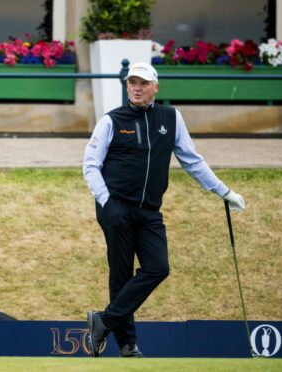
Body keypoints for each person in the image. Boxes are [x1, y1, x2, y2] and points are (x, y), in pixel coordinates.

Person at [83, 62, 245, 358]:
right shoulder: (111, 120)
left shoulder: (171, 118)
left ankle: (104, 320)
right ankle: (128, 345)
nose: (136, 87)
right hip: (115, 205)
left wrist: (224, 191)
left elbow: (192, 160)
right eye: (132, 82)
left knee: (158, 267)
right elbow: (90, 166)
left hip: (149, 211)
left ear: (155, 87)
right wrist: (107, 202)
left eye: (143, 83)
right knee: (120, 274)